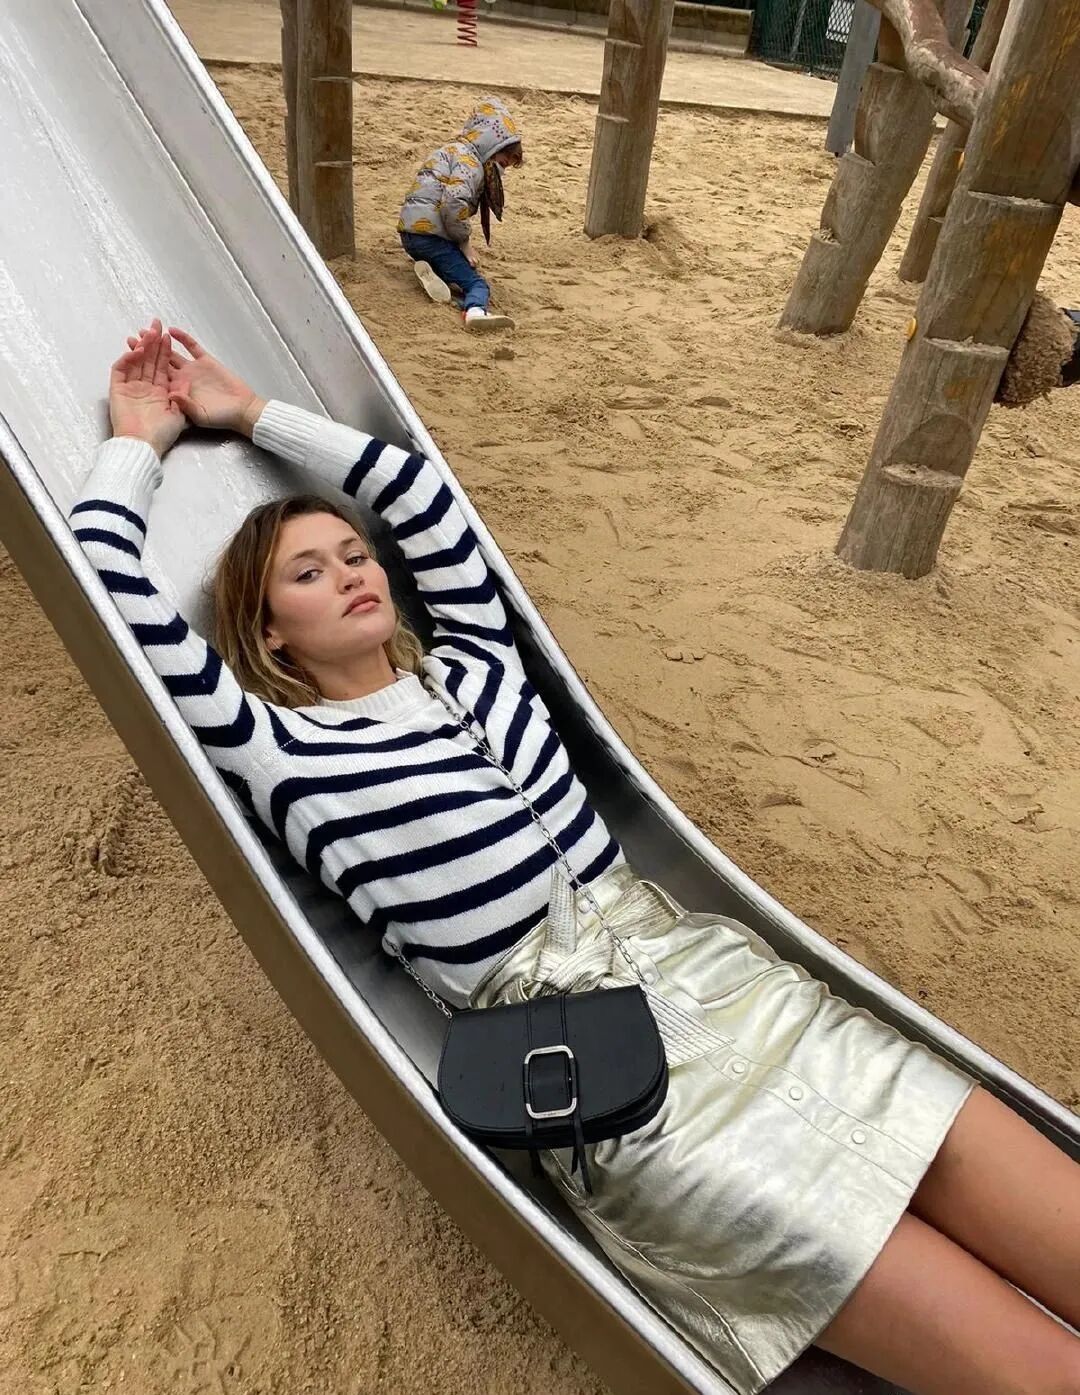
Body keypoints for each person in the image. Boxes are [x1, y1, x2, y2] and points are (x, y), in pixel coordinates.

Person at [74, 320, 1080, 1395]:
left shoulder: (479, 665)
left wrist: (250, 413)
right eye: (309, 574)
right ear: (270, 630)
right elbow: (105, 566)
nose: (354, 575)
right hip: (611, 1083)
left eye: (356, 556)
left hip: (736, 990)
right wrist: (138, 440)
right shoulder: (280, 749)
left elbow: (416, 493)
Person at [397, 98, 522, 333]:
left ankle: (434, 275)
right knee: (476, 283)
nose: (501, 172)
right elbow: (453, 203)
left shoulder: (451, 151)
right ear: (492, 147)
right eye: (502, 163)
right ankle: (475, 312)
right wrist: (464, 242)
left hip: (410, 235)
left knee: (450, 266)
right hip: (432, 238)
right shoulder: (471, 163)